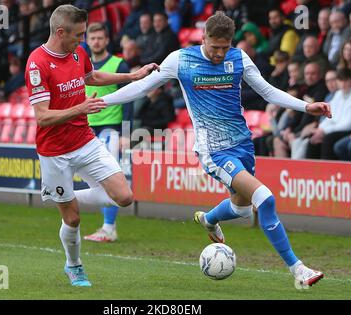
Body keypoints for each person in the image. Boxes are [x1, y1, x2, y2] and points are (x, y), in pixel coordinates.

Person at [101, 12, 330, 289]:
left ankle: (209, 220)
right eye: (214, 47)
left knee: (242, 210)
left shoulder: (239, 58)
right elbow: (140, 88)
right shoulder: (181, 60)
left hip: (242, 144)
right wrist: (102, 101)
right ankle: (298, 271)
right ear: (203, 38)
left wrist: (306, 106)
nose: (220, 53)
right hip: (213, 150)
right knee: (266, 199)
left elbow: (267, 92)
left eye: (225, 47)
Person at [24, 5, 158, 287]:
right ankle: (74, 265)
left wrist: (132, 76)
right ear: (60, 32)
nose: (83, 41)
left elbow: (92, 76)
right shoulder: (37, 63)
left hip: (84, 140)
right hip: (54, 151)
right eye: (79, 35)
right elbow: (43, 117)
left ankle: (65, 198)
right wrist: (80, 108)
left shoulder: (77, 52)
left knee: (124, 196)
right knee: (72, 220)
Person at [83, 22, 134, 243]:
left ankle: (109, 227)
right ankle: (105, 227)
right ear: (87, 40)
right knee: (95, 179)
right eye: (92, 38)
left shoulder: (118, 64)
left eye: (100, 38)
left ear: (106, 40)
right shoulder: (81, 65)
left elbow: (129, 97)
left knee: (109, 177)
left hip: (111, 129)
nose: (96, 41)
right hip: (86, 128)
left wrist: (125, 132)